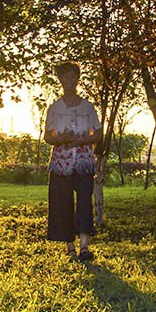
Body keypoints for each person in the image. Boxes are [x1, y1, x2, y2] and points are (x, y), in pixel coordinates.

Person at [44, 62, 102, 261]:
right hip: (61, 164)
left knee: (85, 201)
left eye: (73, 77)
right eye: (66, 77)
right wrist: (62, 138)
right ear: (60, 80)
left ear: (78, 79)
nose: (69, 81)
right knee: (63, 203)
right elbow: (48, 136)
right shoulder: (55, 108)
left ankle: (84, 247)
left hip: (84, 162)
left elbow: (98, 132)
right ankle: (70, 247)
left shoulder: (87, 107)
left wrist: (83, 140)